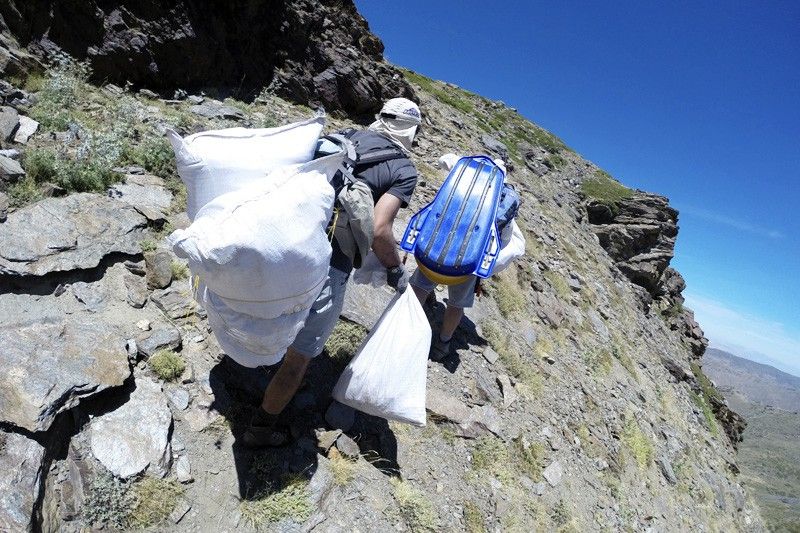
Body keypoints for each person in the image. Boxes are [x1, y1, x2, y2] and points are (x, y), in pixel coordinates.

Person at [243, 97, 422, 447]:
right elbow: (382, 228)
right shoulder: (404, 169)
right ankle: (260, 430)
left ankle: (249, 362)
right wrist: (394, 267)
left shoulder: (345, 135)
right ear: (411, 130)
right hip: (331, 261)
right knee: (300, 356)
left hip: (287, 237)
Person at [410, 157, 519, 361]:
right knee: (456, 303)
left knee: (420, 285)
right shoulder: (505, 197)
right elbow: (504, 239)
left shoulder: (468, 179)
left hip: (438, 244)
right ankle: (443, 343)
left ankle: (405, 327)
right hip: (470, 257)